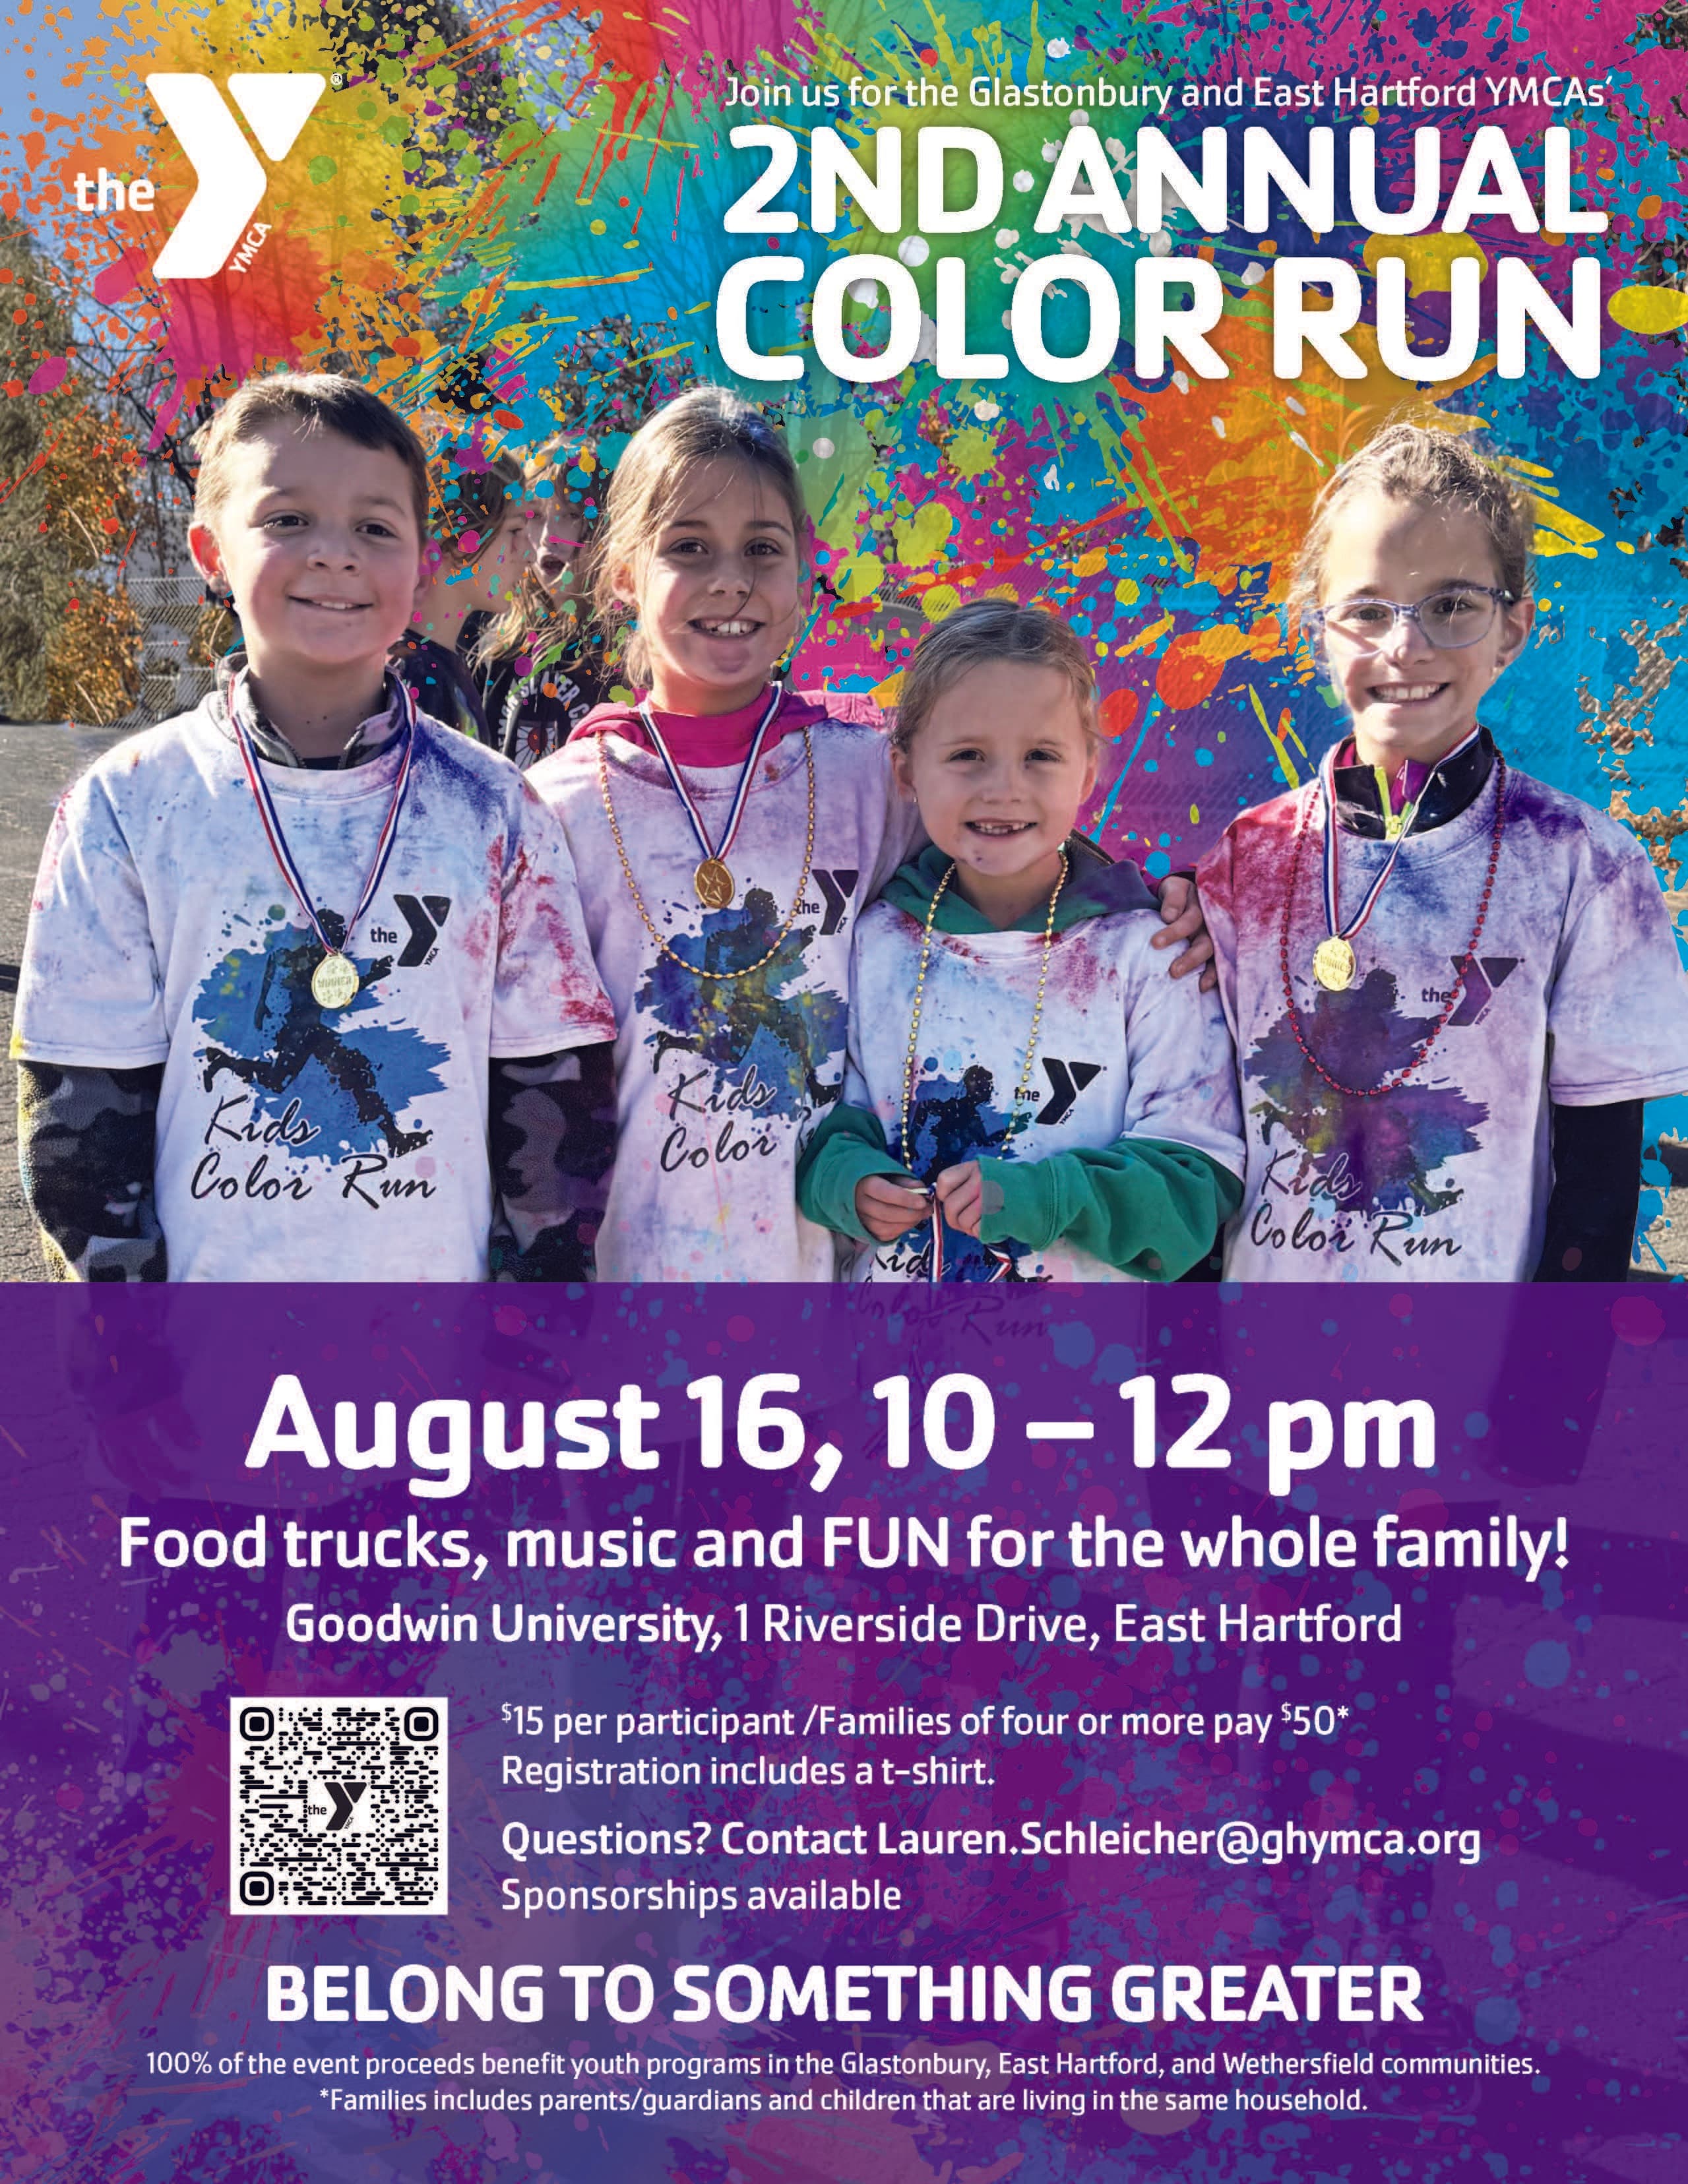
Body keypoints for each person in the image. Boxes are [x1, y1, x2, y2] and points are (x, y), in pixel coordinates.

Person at [13, 371, 617, 1282]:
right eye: (287, 519)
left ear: (420, 563)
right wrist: (129, 1359)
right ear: (211, 550)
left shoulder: (495, 810)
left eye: (375, 528)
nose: (334, 554)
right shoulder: (127, 804)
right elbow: (80, 1109)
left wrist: (529, 1335)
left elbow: (553, 1093)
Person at [1197, 423, 1688, 1280]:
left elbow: (1597, 1196)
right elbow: (1204, 1148)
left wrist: (1545, 1404)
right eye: (1365, 608)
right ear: (1315, 628)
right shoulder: (1247, 856)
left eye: (1451, 604)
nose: (1404, 645)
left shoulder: (1583, 866)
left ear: (1512, 629)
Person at [796, 602, 1244, 1282]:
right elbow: (836, 1117)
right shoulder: (874, 942)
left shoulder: (1152, 955)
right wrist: (848, 1182)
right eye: (968, 754)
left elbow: (1193, 1183)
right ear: (907, 771)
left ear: (1088, 771)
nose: (1003, 787)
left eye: (1040, 755)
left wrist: (1047, 1196)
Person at [476, 439, 611, 768]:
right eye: (536, 515)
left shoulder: (623, 656)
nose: (550, 535)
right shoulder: (499, 648)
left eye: (570, 515)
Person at [396, 431, 529, 743]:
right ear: (458, 540)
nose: (528, 553)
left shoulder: (433, 666)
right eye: (514, 531)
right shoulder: (414, 678)